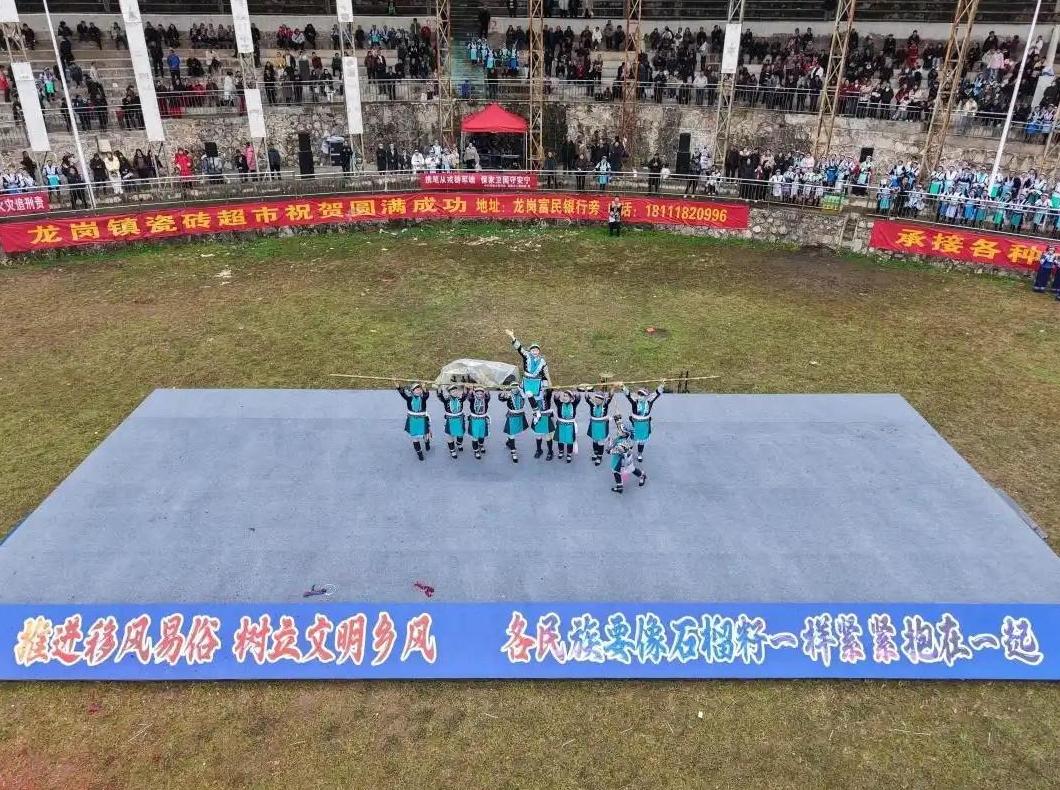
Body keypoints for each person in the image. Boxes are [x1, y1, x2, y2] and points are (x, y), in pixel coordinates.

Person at [623, 380, 665, 461]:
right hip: (634, 425)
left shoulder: (649, 402)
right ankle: (628, 452)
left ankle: (639, 454)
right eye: (639, 394)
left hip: (644, 426)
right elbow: (628, 395)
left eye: (642, 395)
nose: (640, 396)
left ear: (646, 396)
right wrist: (623, 387)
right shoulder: (634, 402)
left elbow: (656, 394)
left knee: (641, 442)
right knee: (631, 440)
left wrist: (662, 385)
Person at [605, 414, 647, 494]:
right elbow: (619, 426)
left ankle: (641, 476)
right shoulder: (623, 437)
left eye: (620, 430)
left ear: (625, 433)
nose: (618, 430)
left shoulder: (625, 443)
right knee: (628, 469)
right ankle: (620, 485)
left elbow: (615, 451)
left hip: (621, 459)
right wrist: (617, 419)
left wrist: (609, 450)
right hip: (620, 458)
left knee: (619, 471)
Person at [506, 330, 550, 404]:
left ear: (539, 351)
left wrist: (549, 383)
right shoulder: (527, 355)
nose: (535, 352)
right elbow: (519, 348)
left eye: (536, 350)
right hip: (527, 381)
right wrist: (512, 336)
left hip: (537, 382)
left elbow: (546, 372)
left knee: (538, 397)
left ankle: (537, 407)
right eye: (533, 350)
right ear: (530, 351)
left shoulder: (542, 361)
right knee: (525, 395)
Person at [582, 384, 618, 466]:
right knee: (595, 441)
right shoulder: (593, 404)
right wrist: (586, 390)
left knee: (600, 442)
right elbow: (587, 399)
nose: (597, 400)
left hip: (602, 426)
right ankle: (595, 453)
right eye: (596, 398)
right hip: (594, 426)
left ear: (603, 400)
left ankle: (599, 457)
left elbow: (610, 396)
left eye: (599, 399)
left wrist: (613, 387)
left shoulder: (605, 404)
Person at [396, 381, 432, 460]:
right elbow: (403, 394)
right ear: (412, 391)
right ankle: (419, 453)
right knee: (415, 438)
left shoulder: (423, 398)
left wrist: (424, 387)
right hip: (412, 421)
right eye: (417, 389)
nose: (419, 391)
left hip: (422, 420)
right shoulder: (409, 398)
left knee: (425, 435)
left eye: (420, 389)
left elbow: (426, 394)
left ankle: (427, 443)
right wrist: (398, 387)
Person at [498, 383, 530, 463]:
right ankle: (513, 452)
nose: (515, 389)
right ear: (511, 388)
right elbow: (501, 399)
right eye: (513, 387)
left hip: (520, 415)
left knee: (514, 431)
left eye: (516, 387)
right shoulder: (509, 395)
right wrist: (502, 393)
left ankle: (509, 441)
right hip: (512, 416)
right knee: (511, 433)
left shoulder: (522, 394)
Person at [437, 384, 467, 458]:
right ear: (449, 393)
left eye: (456, 391)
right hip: (450, 420)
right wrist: (439, 387)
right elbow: (440, 395)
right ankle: (452, 450)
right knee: (450, 436)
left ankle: (459, 443)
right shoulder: (446, 400)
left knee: (460, 434)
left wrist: (465, 386)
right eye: (453, 391)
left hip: (459, 419)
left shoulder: (460, 399)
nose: (455, 392)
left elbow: (465, 394)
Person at [552, 389, 580, 463]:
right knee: (560, 440)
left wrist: (575, 391)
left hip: (570, 426)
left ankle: (569, 454)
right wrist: (557, 391)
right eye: (564, 396)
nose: (565, 397)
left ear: (571, 398)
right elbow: (556, 399)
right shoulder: (560, 404)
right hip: (561, 425)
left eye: (567, 396)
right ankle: (561, 452)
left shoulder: (573, 404)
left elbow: (577, 398)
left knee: (569, 441)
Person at [530, 387, 556, 460]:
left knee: (548, 436)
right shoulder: (533, 397)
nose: (542, 392)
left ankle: (550, 451)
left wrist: (547, 389)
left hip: (546, 417)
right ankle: (539, 450)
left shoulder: (547, 396)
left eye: (543, 391)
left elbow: (549, 390)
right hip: (537, 418)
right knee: (538, 436)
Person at [467, 385, 490, 459]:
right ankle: (476, 451)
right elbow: (469, 397)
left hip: (482, 420)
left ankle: (481, 444)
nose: (479, 395)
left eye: (481, 394)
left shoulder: (485, 400)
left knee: (482, 434)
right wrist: (470, 392)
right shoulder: (472, 399)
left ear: (483, 394)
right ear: (475, 394)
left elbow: (488, 396)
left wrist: (487, 389)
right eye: (477, 394)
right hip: (474, 420)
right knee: (475, 436)